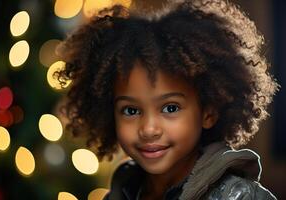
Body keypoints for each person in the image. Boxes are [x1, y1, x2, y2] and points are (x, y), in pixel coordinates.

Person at [56, 0, 279, 199]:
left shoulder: (239, 196)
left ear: (208, 112)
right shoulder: (121, 191)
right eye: (131, 111)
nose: (149, 129)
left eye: (170, 108)